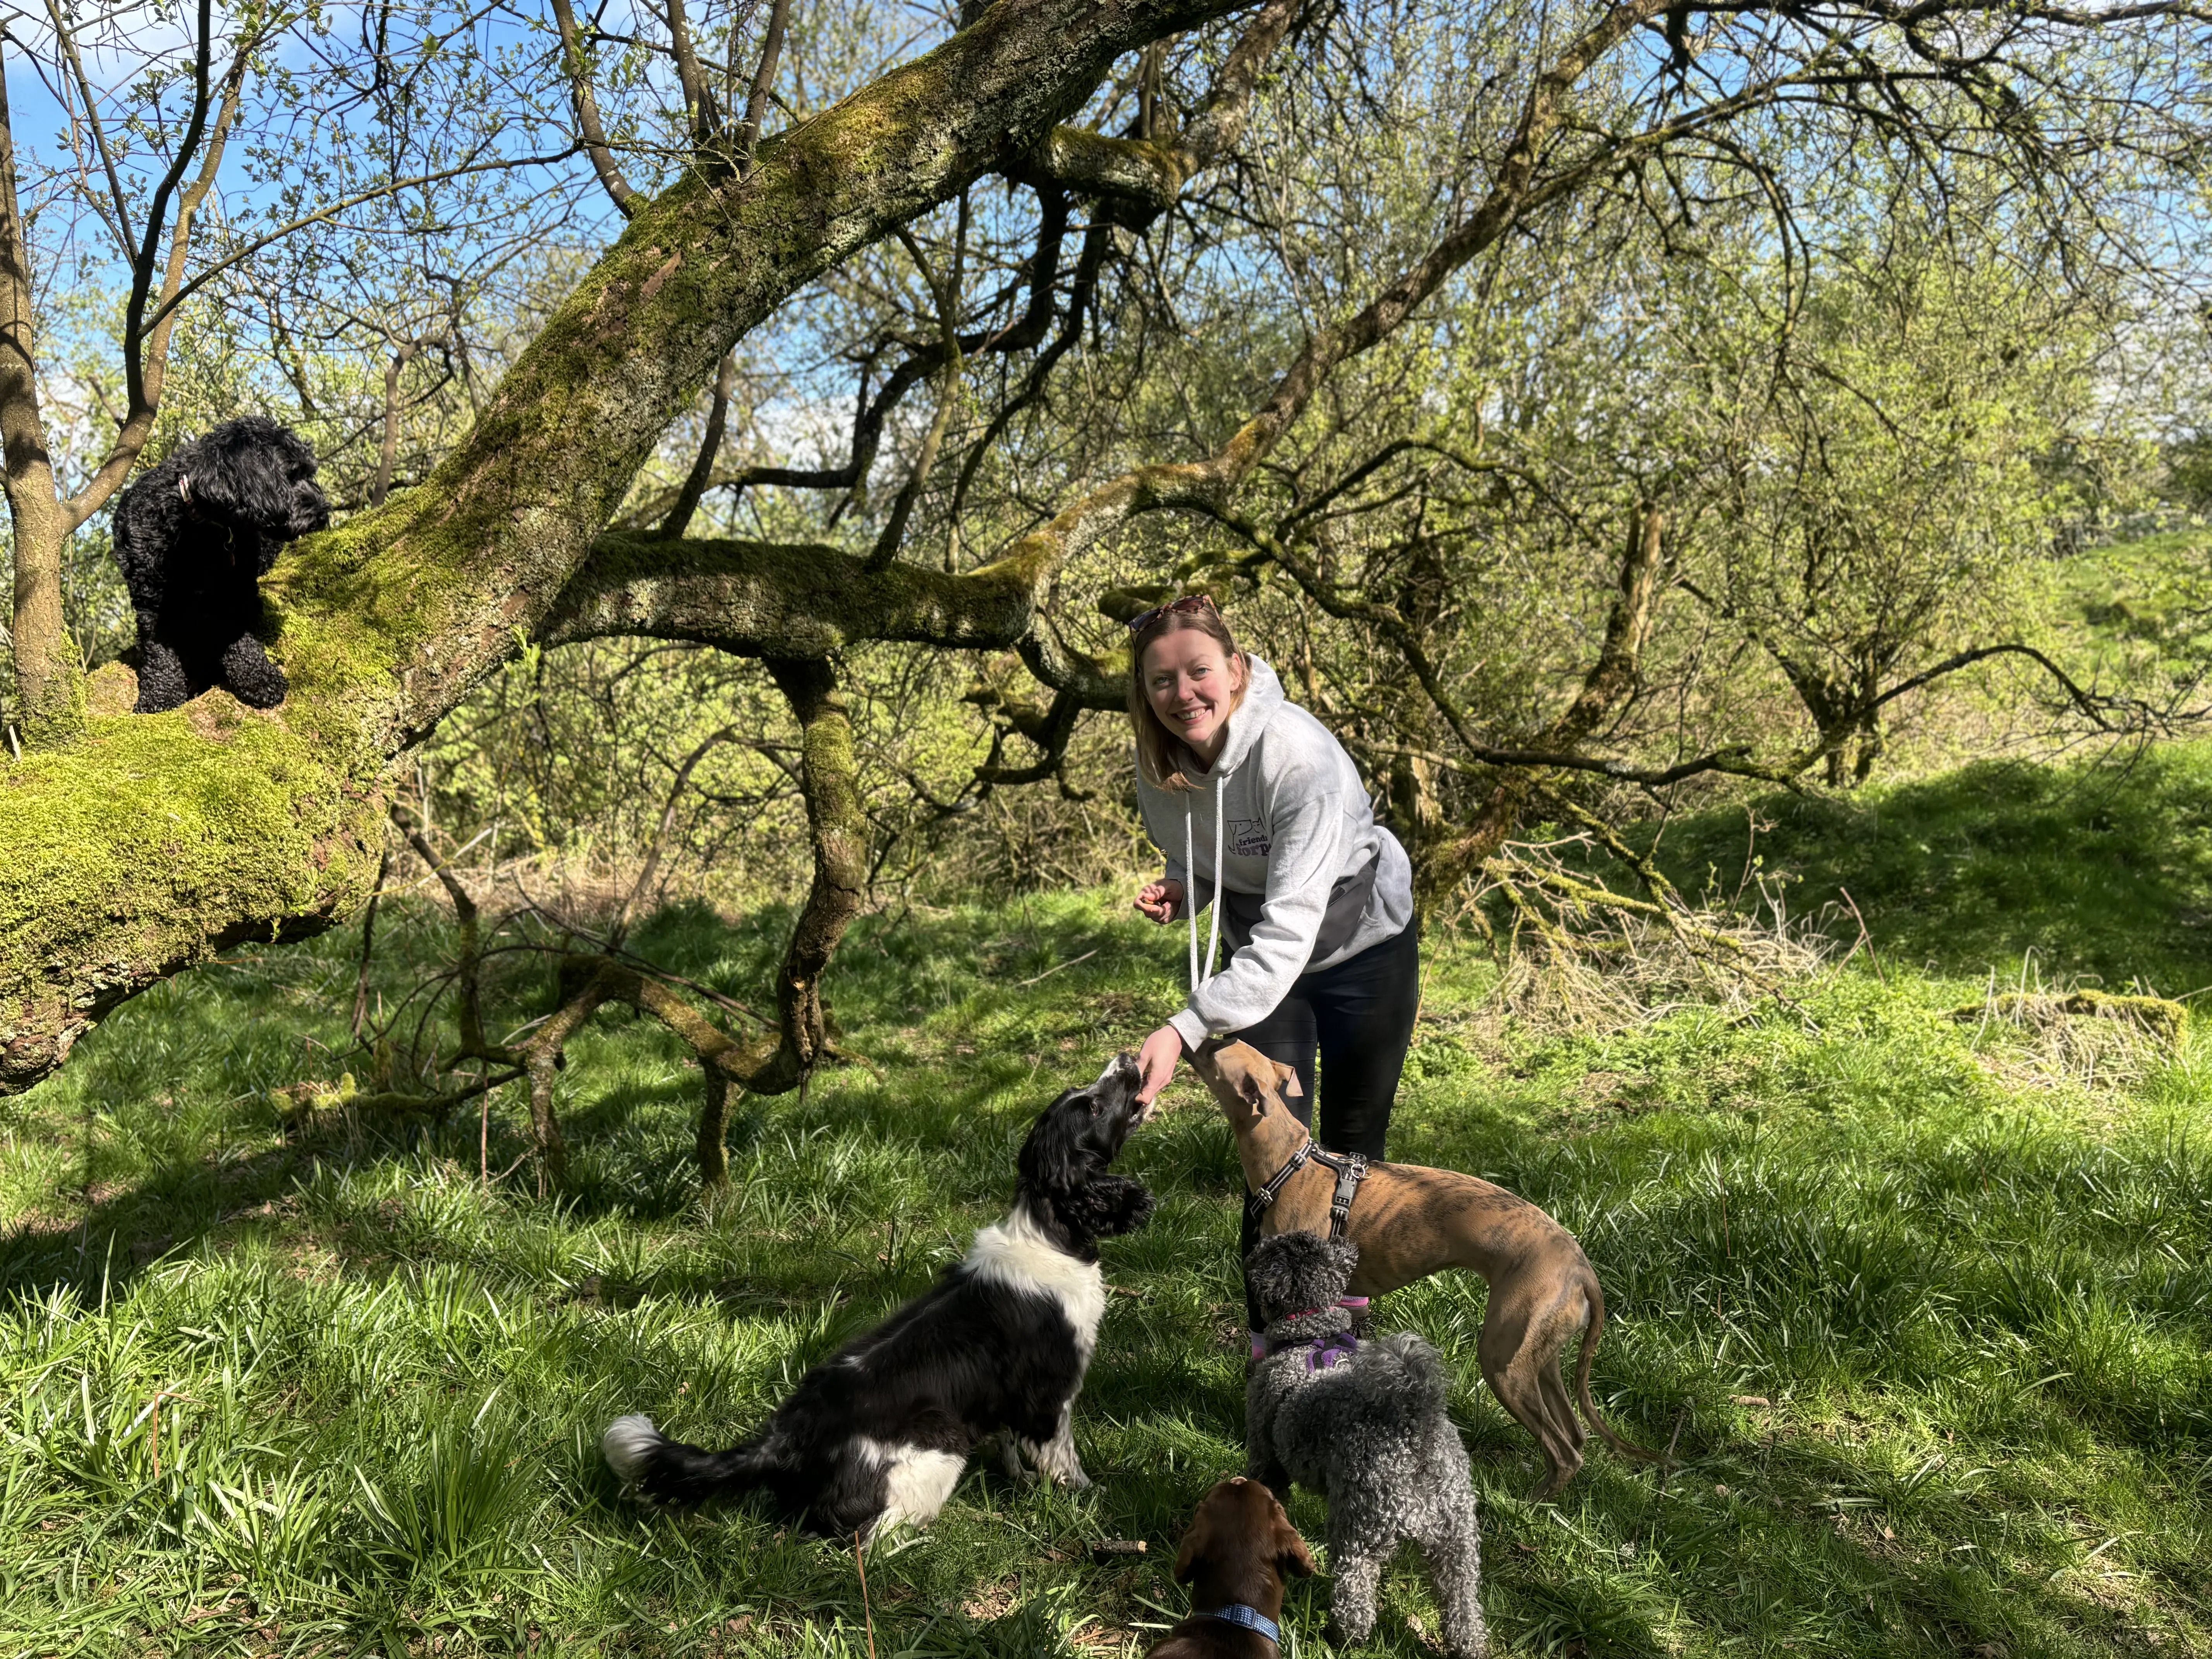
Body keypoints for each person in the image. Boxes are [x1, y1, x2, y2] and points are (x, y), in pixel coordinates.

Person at [1123, 595, 1419, 1340]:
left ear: (1237, 670)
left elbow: (1291, 929)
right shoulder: (1158, 764)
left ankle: (1342, 1340)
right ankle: (1277, 1348)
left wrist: (1185, 1027)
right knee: (1271, 1150)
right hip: (1261, 956)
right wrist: (1185, 888)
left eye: (1198, 672)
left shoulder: (1298, 755)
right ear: (1144, 692)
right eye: (1162, 681)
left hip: (1361, 949)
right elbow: (1200, 850)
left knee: (1353, 1148)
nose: (1182, 694)